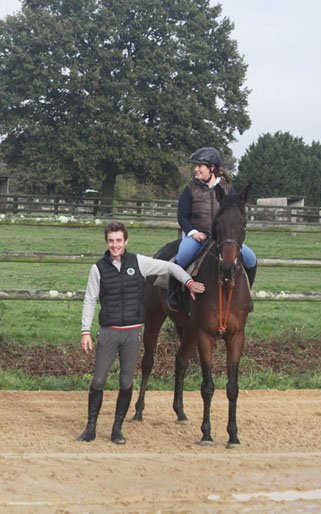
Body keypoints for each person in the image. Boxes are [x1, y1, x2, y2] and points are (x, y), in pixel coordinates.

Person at [78, 221, 205, 444]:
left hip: (131, 333)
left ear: (126, 241)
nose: (115, 245)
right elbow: (90, 299)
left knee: (126, 381)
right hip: (108, 332)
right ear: (106, 243)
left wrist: (188, 282)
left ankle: (117, 429)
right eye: (111, 241)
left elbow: (171, 268)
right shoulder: (98, 268)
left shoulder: (139, 263)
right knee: (98, 380)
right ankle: (90, 428)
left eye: (119, 240)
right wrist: (85, 331)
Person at [166, 147, 257, 312]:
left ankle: (246, 296)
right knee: (182, 257)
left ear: (212, 168)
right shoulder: (190, 189)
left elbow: (234, 213)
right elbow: (182, 217)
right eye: (195, 166)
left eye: (200, 166)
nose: (196, 169)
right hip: (197, 237)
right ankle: (174, 294)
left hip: (223, 237)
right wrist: (194, 233)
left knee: (251, 259)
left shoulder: (228, 189)